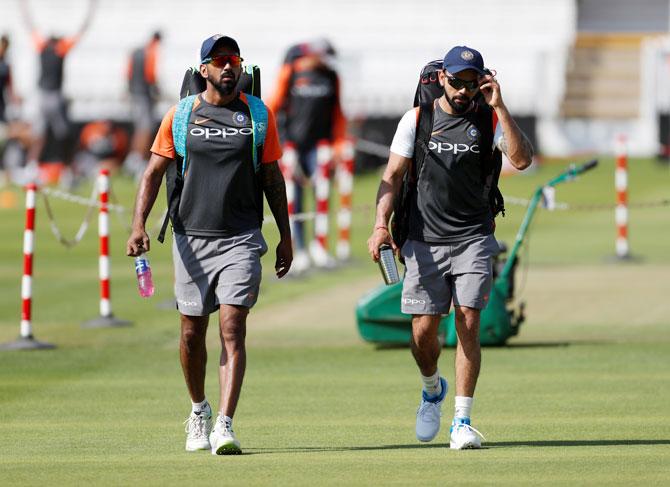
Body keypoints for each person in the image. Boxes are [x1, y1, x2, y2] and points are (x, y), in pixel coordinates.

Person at [126, 34, 292, 456]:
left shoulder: (257, 115)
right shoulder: (181, 115)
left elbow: (272, 177)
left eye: (233, 59)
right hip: (190, 238)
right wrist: (138, 226)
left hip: (241, 237)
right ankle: (198, 411)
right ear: (204, 69)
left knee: (233, 327)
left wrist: (285, 237)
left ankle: (224, 423)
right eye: (219, 60)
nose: (228, 66)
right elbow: (152, 174)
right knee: (190, 333)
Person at [367, 46, 533, 449]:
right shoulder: (417, 119)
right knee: (423, 333)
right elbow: (392, 176)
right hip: (423, 239)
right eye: (457, 81)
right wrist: (379, 225)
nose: (463, 90)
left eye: (471, 82)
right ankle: (431, 389)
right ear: (442, 78)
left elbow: (522, 159)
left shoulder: (489, 117)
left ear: (482, 82)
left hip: (474, 237)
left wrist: (502, 106)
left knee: (469, 323)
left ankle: (462, 420)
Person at [268, 39, 347, 274]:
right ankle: (299, 249)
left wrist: (338, 145)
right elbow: (273, 106)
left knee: (322, 196)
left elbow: (338, 113)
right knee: (294, 201)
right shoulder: (291, 72)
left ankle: (319, 247)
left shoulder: (332, 77)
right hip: (292, 147)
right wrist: (278, 145)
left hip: (320, 147)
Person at [20, 0, 96, 168]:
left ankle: (33, 165)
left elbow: (29, 26)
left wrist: (23, 6)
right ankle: (67, 167)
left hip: (41, 95)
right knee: (63, 134)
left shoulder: (42, 47)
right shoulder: (60, 48)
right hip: (53, 96)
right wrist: (91, 10)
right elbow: (81, 32)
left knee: (41, 134)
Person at [124, 31, 162, 178]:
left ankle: (133, 159)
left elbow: (127, 72)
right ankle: (138, 160)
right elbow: (150, 74)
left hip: (135, 93)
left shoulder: (136, 52)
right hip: (144, 95)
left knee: (140, 127)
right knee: (145, 128)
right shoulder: (150, 52)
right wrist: (156, 90)